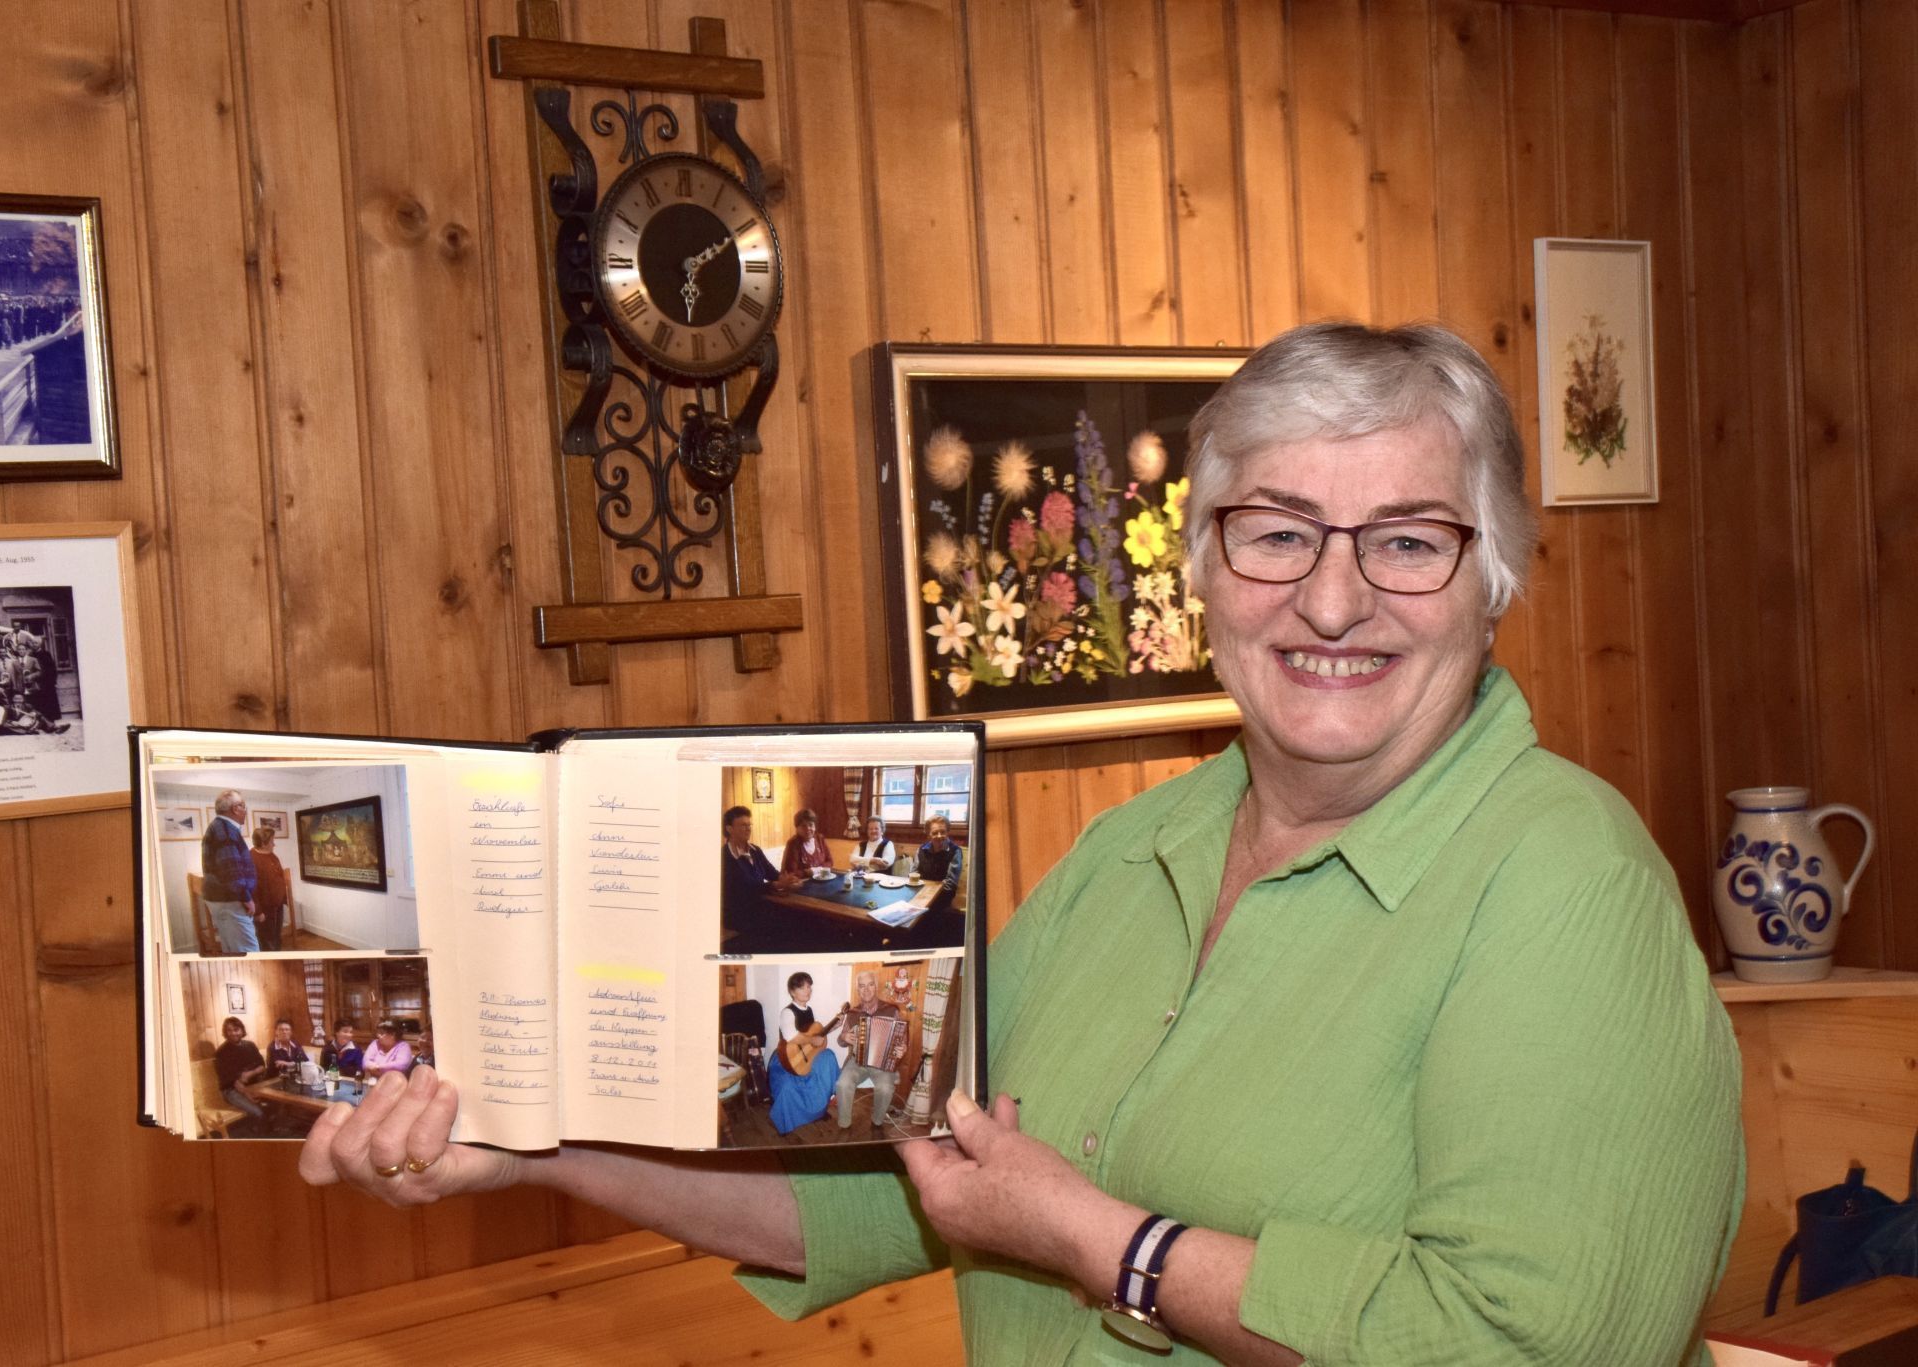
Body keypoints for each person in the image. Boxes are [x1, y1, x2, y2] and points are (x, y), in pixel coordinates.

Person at [300, 322, 1743, 1365]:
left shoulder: (1568, 881)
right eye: (1279, 532)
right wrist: (537, 1143)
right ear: (1200, 572)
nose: (1333, 598)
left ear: (1495, 577)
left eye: (1409, 540)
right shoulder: (1134, 852)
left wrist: (1105, 1241)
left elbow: (1527, 1346)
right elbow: (885, 1193)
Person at [827, 968, 907, 1138]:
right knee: (842, 1084)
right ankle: (844, 1125)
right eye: (862, 986)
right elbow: (841, 1041)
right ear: (858, 990)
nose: (866, 989)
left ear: (876, 986)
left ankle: (877, 1122)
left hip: (883, 1063)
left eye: (870, 985)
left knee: (886, 1088)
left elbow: (902, 1037)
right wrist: (844, 1037)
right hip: (858, 1061)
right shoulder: (853, 1013)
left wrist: (902, 1048)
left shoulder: (891, 1010)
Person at [765, 971, 841, 1136]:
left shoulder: (809, 1010)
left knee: (828, 1058)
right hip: (788, 1060)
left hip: (805, 1057)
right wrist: (811, 1040)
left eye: (809, 987)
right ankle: (786, 1121)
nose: (807, 991)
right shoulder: (787, 1012)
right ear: (792, 991)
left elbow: (814, 1035)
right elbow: (790, 1035)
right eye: (802, 987)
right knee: (787, 1086)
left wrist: (832, 1028)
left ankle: (819, 1110)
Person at [720, 804, 801, 937]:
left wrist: (789, 879)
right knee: (786, 923)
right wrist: (777, 885)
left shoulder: (755, 850)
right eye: (743, 825)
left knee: (796, 916)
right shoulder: (725, 857)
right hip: (739, 914)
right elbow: (746, 888)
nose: (748, 829)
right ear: (729, 829)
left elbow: (772, 873)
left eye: (749, 825)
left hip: (759, 905)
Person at [200, 790, 259, 954]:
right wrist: (246, 897)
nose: (245, 811)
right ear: (235, 809)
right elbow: (231, 870)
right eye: (243, 806)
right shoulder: (225, 830)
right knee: (248, 951)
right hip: (230, 902)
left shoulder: (219, 827)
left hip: (223, 900)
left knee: (232, 948)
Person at [213, 1017, 270, 1134]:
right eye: (229, 1030)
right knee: (258, 1112)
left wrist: (250, 1073)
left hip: (253, 1085)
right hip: (231, 1090)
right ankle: (256, 1136)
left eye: (236, 1029)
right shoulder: (221, 1053)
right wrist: (248, 1094)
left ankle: (265, 1130)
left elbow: (262, 1066)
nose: (233, 1033)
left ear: (242, 1030)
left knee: (272, 1104)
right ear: (225, 1032)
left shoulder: (250, 1045)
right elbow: (232, 1081)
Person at [249, 826, 290, 952]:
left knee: (276, 937)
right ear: (263, 843)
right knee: (267, 941)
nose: (274, 844)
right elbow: (251, 889)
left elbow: (278, 878)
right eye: (272, 841)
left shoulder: (271, 855)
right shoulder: (251, 859)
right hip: (264, 910)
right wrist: (258, 912)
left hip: (277, 906)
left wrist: (282, 899)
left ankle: (278, 959)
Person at [779, 807, 833, 877]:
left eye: (811, 825)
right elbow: (790, 872)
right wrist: (807, 872)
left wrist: (818, 869)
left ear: (815, 826)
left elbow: (830, 861)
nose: (808, 829)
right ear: (797, 828)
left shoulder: (820, 839)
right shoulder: (793, 844)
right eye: (803, 826)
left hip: (822, 880)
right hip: (801, 885)